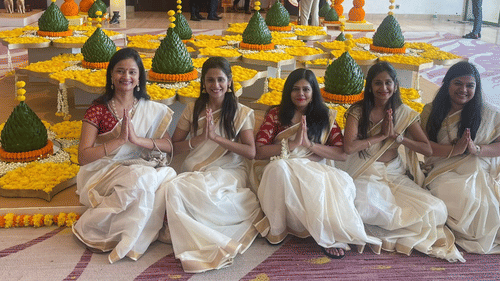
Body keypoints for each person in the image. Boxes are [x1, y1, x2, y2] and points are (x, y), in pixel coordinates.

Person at [252, 68, 382, 259]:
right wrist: (292, 144)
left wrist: (309, 145)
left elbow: (341, 154)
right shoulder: (276, 114)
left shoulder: (325, 116)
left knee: (341, 180)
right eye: (295, 89)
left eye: (306, 89)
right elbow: (259, 151)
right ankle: (278, 228)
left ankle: (327, 234)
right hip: (281, 164)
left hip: (312, 165)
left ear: (314, 92)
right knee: (278, 170)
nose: (301, 94)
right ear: (288, 92)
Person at [343, 62, 464, 262]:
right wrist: (381, 136)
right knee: (364, 206)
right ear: (370, 86)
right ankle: (397, 231)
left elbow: (426, 148)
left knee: (436, 209)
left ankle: (399, 231)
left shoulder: (405, 112)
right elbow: (349, 147)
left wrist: (398, 138)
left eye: (388, 83)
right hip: (365, 172)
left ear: (396, 85)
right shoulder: (358, 111)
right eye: (378, 83)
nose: (383, 88)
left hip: (394, 174)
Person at [72, 48, 177, 263]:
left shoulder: (151, 108)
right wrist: (118, 141)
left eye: (132, 72)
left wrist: (137, 141)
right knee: (143, 178)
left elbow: (168, 145)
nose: (126, 77)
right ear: (111, 75)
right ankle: (120, 233)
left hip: (141, 165)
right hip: (103, 171)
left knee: (155, 178)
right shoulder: (98, 110)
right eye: (120, 71)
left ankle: (134, 232)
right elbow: (83, 156)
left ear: (139, 78)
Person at [163, 57, 262, 273]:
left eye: (220, 80)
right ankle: (201, 233)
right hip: (196, 168)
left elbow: (250, 151)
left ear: (229, 82)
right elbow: (173, 147)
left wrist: (217, 139)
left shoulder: (241, 111)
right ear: (203, 82)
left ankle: (198, 234)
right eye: (210, 80)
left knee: (208, 194)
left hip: (231, 169)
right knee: (174, 188)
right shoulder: (192, 109)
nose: (215, 85)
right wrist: (198, 140)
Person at [421, 61, 500, 254]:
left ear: (476, 88)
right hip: (442, 170)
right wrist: (453, 151)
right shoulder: (431, 111)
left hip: (479, 167)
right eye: (458, 83)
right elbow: (425, 147)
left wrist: (477, 149)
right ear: (447, 83)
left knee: (488, 202)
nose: (463, 90)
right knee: (466, 199)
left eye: (470, 85)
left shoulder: (489, 113)